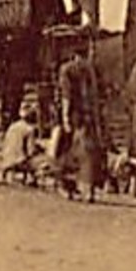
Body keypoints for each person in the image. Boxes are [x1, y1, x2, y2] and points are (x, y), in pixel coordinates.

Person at [54, 31, 106, 201]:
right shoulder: (93, 70)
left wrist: (65, 118)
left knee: (67, 151)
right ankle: (89, 190)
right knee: (89, 153)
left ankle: (68, 187)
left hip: (75, 116)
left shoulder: (67, 70)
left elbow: (66, 97)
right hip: (90, 117)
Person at [0, 102, 50, 186]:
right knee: (44, 161)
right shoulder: (29, 129)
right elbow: (30, 151)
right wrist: (41, 149)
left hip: (7, 159)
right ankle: (34, 179)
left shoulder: (12, 126)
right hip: (20, 161)